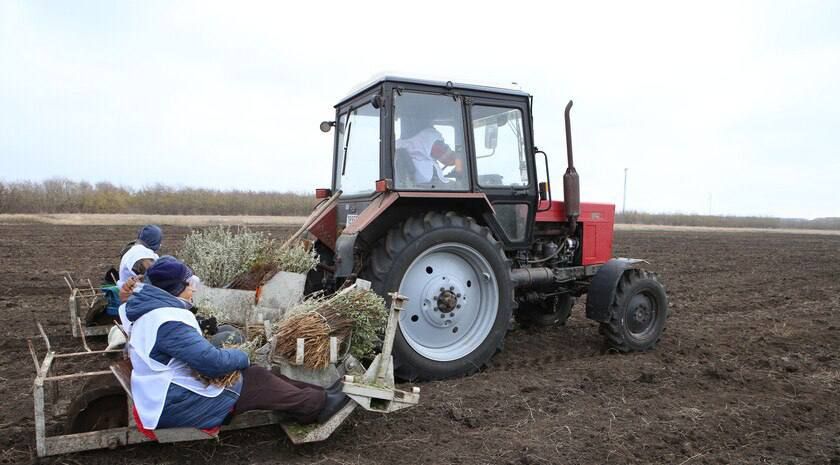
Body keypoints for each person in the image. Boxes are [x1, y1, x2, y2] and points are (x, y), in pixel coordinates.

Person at [121, 256, 349, 430]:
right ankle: (317, 405)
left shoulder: (151, 310)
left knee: (256, 374)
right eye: (189, 284)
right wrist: (243, 356)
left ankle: (318, 395)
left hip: (165, 394)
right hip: (177, 403)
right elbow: (212, 363)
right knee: (255, 380)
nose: (193, 288)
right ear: (175, 289)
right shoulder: (167, 320)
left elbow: (178, 347)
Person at [395, 119, 464, 186]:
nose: (443, 148)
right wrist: (457, 160)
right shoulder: (411, 160)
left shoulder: (422, 156)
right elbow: (447, 158)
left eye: (443, 144)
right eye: (440, 144)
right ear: (426, 144)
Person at [117, 225, 163, 289]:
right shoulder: (142, 255)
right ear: (154, 240)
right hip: (135, 294)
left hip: (129, 290)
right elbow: (155, 277)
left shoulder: (135, 249)